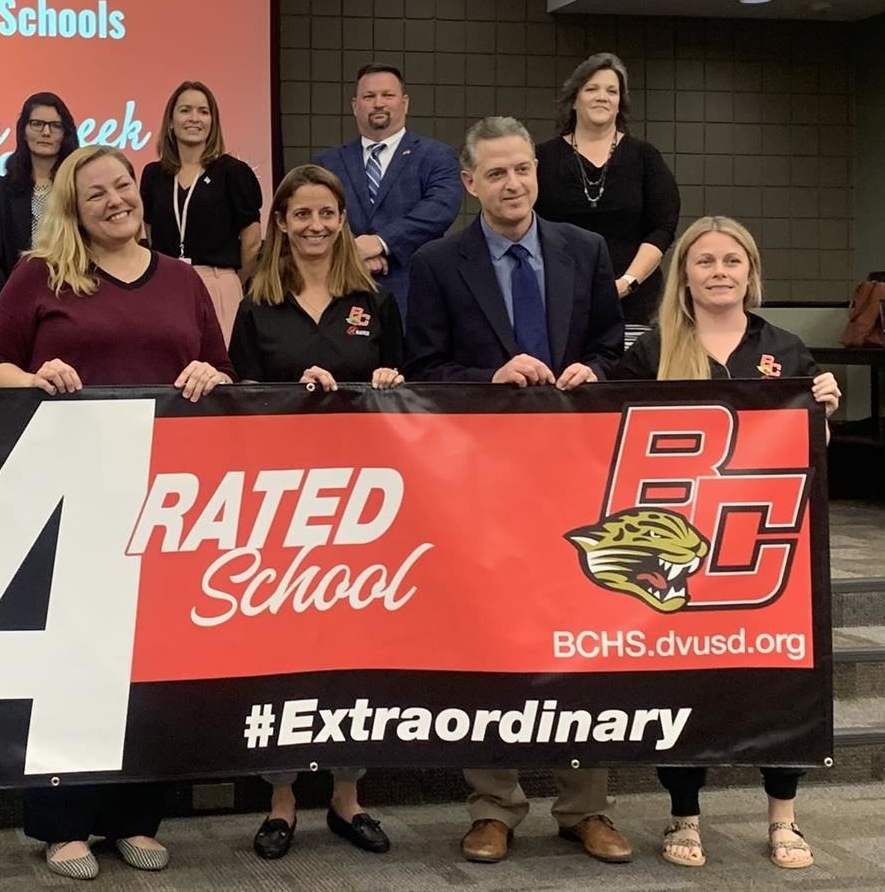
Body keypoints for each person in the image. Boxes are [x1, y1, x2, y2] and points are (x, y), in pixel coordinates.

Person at [0, 144, 232, 880]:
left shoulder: (182, 280)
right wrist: (31, 373)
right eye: (96, 195)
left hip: (164, 501)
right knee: (72, 660)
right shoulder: (42, 275)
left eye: (123, 186)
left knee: (150, 663)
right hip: (67, 496)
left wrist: (213, 373)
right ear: (74, 211)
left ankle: (133, 816)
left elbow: (224, 371)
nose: (116, 199)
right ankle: (62, 822)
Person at [404, 115, 631, 865]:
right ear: (468, 182)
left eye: (523, 170)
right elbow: (424, 369)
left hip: (573, 471)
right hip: (479, 478)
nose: (513, 184)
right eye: (496, 173)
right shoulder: (439, 261)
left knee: (583, 634)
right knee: (486, 636)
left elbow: (608, 346)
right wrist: (487, 378)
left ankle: (584, 807)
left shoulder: (585, 248)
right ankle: (493, 805)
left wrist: (593, 371)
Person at [612, 214, 839, 871]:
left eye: (731, 260)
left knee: (777, 674)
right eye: (704, 260)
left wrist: (821, 410)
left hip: (766, 548)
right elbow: (606, 438)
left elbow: (812, 451)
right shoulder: (652, 351)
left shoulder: (788, 348)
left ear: (751, 271)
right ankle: (684, 813)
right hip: (678, 553)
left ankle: (784, 816)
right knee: (684, 676)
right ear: (683, 273)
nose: (718, 271)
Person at [228, 162, 400, 861]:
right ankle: (281, 801)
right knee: (283, 655)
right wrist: (287, 397)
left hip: (365, 505)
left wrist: (387, 381)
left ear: (343, 220)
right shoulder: (257, 303)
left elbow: (409, 390)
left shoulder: (375, 300)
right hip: (282, 507)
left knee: (356, 653)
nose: (316, 226)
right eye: (301, 214)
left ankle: (348, 797)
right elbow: (238, 398)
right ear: (280, 223)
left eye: (327, 213)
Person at [535, 52, 679, 328]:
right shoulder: (541, 159)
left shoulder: (645, 157)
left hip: (636, 304)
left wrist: (626, 283)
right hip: (558, 301)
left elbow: (663, 228)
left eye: (612, 91)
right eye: (592, 89)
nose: (602, 96)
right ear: (574, 99)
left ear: (619, 103)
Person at [314, 62, 461, 319]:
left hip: (414, 298)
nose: (378, 103)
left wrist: (380, 243)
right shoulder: (328, 163)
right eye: (369, 96)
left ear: (404, 103)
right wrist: (352, 253)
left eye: (387, 95)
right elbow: (316, 217)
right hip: (342, 295)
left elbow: (439, 209)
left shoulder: (437, 156)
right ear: (354, 105)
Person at [140, 80, 262, 343]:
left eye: (203, 111)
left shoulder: (234, 172)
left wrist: (231, 282)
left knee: (220, 370)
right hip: (166, 284)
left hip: (219, 283)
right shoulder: (153, 175)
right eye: (185, 110)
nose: (194, 118)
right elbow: (150, 234)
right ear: (171, 121)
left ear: (213, 122)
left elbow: (252, 242)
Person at [0, 91, 80, 311]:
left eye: (55, 126)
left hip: (74, 303)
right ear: (23, 131)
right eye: (37, 124)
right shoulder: (2, 191)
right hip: (16, 305)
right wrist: (7, 308)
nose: (46, 132)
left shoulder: (79, 188)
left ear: (65, 134)